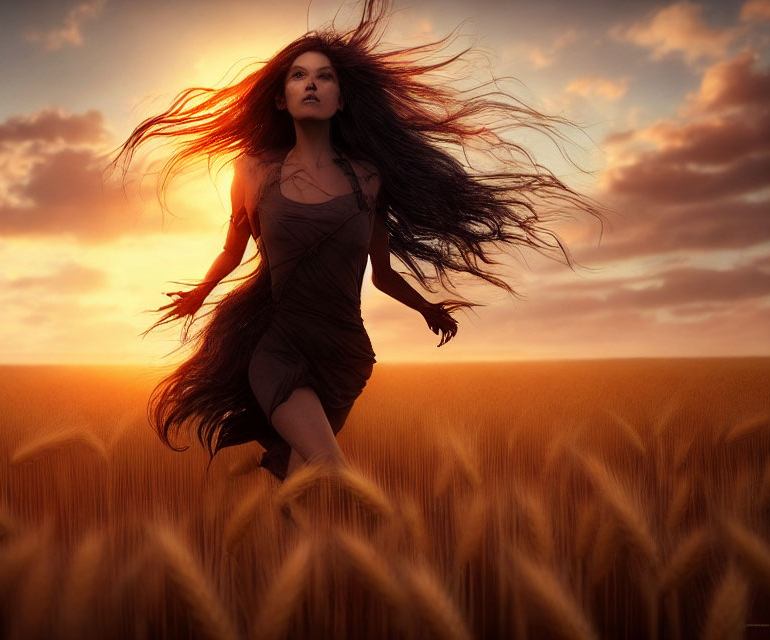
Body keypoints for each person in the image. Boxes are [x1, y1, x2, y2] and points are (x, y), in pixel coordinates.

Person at [104, 0, 606, 482]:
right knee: (332, 470)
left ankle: (296, 552)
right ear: (280, 97)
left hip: (346, 356)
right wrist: (200, 292)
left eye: (325, 76)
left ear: (342, 99)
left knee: (299, 479)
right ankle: (373, 543)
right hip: (278, 348)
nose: (312, 84)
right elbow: (234, 251)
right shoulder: (253, 171)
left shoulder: (368, 178)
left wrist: (428, 308)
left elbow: (382, 272)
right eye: (298, 75)